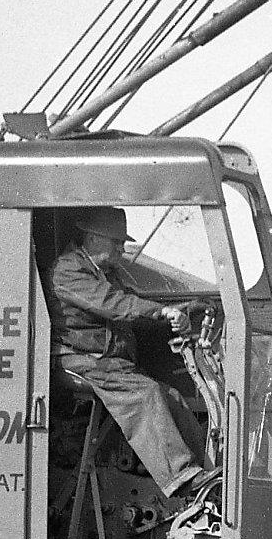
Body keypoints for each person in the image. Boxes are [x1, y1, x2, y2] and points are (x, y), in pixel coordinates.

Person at [47, 206, 211, 503]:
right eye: (116, 242)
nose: (122, 249)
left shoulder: (103, 272)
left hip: (106, 362)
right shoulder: (68, 270)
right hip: (82, 360)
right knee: (145, 393)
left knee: (171, 396)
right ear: (94, 239)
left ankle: (207, 474)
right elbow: (114, 304)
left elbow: (131, 305)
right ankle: (181, 477)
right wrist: (161, 310)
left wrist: (186, 309)